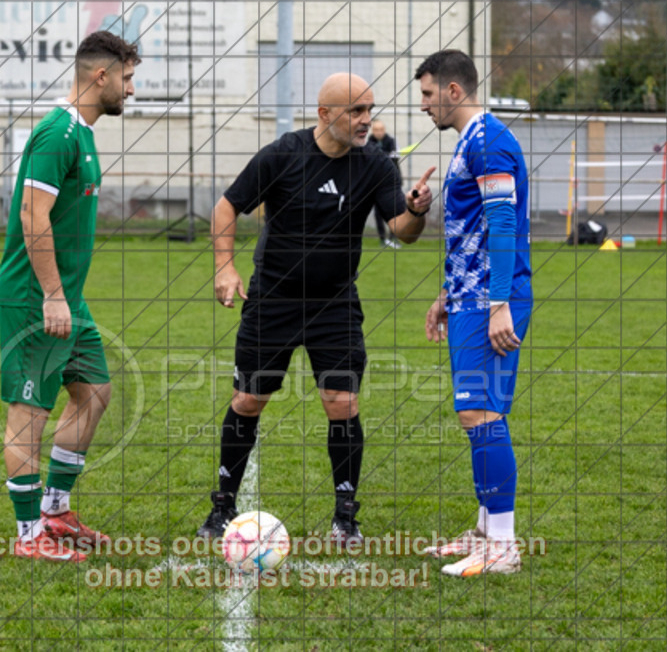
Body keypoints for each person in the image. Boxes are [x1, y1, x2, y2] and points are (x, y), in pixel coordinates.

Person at [198, 73, 435, 546]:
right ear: (325, 115)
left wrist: (418, 209)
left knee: (342, 403)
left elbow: (402, 231)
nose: (366, 120)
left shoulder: (376, 165)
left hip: (335, 303)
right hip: (273, 300)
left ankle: (345, 518)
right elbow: (227, 207)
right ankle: (222, 507)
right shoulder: (282, 154)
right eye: (355, 111)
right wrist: (224, 267)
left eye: (369, 109)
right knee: (248, 400)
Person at [0, 31, 140, 562]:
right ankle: (28, 536)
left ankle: (55, 511)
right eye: (126, 78)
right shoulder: (56, 135)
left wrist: (65, 297)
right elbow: (33, 217)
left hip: (65, 298)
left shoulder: (84, 134)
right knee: (28, 410)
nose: (131, 88)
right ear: (101, 76)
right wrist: (53, 296)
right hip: (36, 298)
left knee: (94, 393)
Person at [418, 49, 532, 577]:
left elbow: (504, 227)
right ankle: (487, 532)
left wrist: (499, 303)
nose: (423, 105)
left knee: (480, 415)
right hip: (472, 297)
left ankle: (503, 547)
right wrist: (447, 294)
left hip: (491, 301)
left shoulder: (488, 143)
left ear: (453, 91)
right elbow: (472, 234)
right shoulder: (472, 141)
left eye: (427, 94)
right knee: (478, 414)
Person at [366, 119, 401, 249]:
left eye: (381, 129)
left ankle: (394, 238)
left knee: (395, 211)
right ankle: (382, 239)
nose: (378, 132)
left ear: (384, 130)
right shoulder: (368, 141)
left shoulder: (391, 142)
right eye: (376, 130)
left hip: (391, 184)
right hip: (375, 184)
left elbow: (394, 159)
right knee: (378, 213)